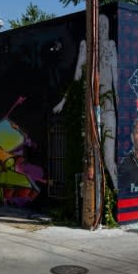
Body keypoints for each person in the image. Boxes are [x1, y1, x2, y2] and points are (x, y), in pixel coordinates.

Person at [53, 14, 119, 189]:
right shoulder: (86, 47)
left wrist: (122, 110)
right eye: (99, 27)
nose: (103, 30)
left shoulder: (111, 46)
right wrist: (64, 101)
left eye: (105, 26)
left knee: (108, 158)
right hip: (89, 108)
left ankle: (118, 200)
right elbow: (77, 77)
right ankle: (93, 200)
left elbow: (116, 80)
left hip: (108, 106)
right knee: (89, 157)